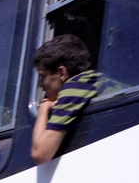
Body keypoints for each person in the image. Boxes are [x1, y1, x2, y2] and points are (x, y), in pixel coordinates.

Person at [31, 34, 126, 164]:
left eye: (42, 76)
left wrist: (43, 109)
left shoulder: (74, 87)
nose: (40, 85)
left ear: (62, 72)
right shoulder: (91, 81)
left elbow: (40, 154)